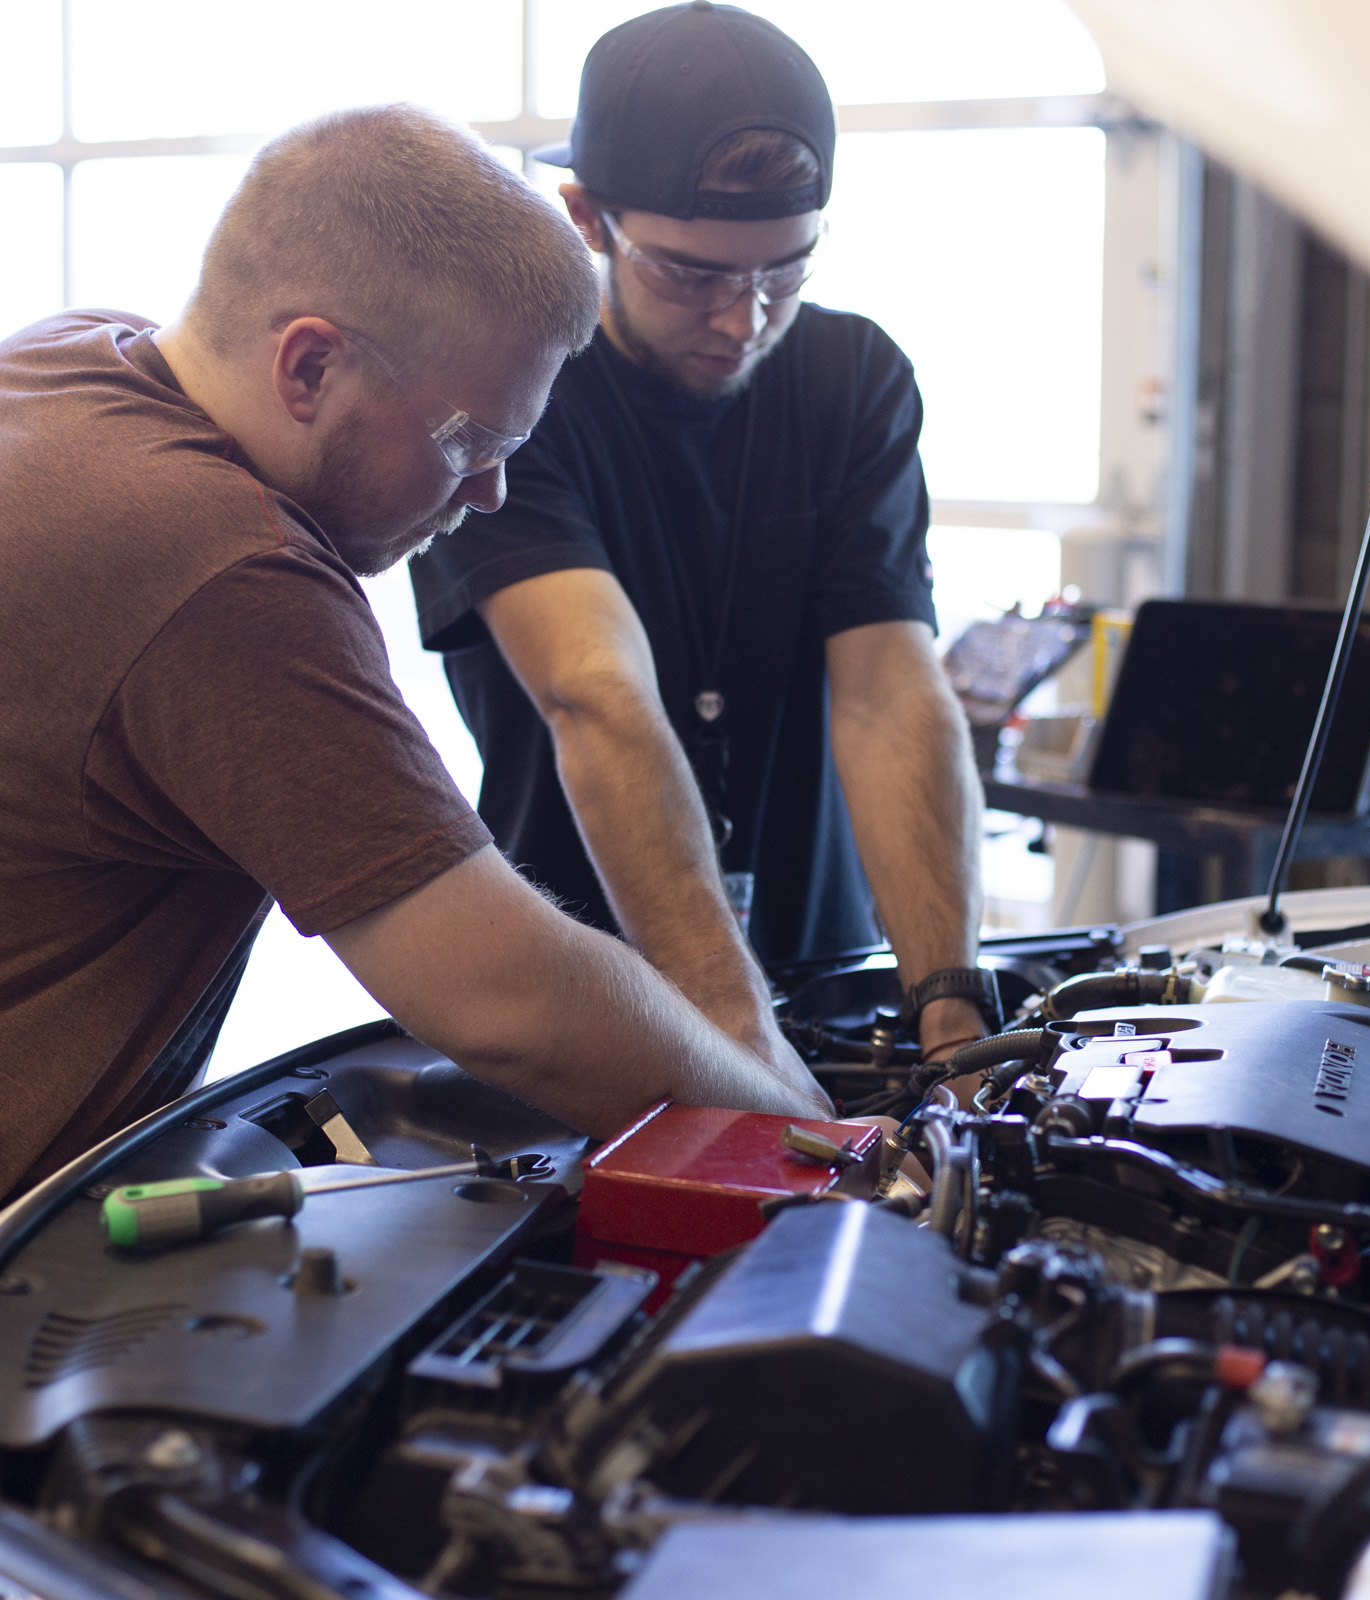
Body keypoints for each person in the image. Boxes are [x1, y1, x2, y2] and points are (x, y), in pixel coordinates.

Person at [0, 105, 827, 1600]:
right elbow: (503, 996)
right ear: (308, 363)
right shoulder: (222, 573)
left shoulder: (66, 361)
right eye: (474, 442)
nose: (485, 495)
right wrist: (807, 1147)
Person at [410, 3, 994, 1084]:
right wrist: (740, 1040)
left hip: (822, 974)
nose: (743, 319)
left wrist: (952, 1012)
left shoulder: (854, 381)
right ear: (587, 216)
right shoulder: (518, 394)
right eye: (694, 274)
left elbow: (887, 693)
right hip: (583, 1000)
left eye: (784, 272)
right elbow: (597, 694)